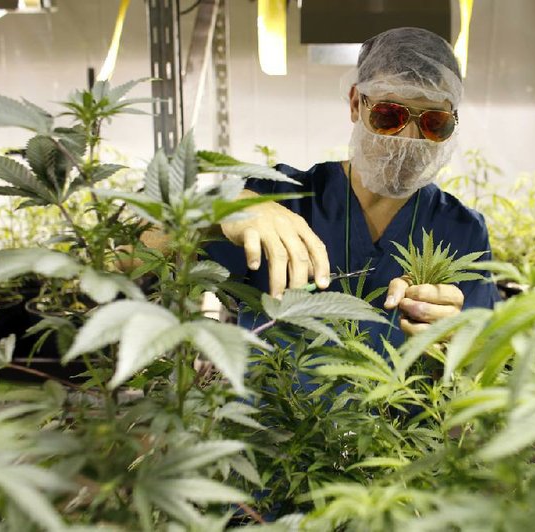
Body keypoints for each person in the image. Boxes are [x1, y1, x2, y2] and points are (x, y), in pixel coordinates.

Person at [207, 27, 500, 350]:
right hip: (279, 401)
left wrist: (463, 339)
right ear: (355, 104)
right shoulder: (281, 198)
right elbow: (143, 252)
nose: (409, 138)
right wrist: (224, 211)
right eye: (390, 115)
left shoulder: (463, 230)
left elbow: (487, 359)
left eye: (434, 122)